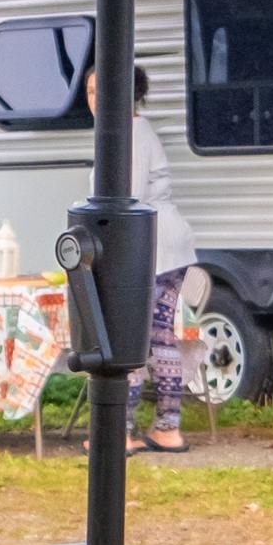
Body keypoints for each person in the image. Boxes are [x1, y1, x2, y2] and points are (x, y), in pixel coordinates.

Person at [87, 62, 199, 453]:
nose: (94, 100)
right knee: (160, 335)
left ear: (124, 94)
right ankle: (167, 426)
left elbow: (123, 200)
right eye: (89, 92)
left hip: (150, 245)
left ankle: (122, 430)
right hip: (170, 243)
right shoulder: (140, 130)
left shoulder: (127, 136)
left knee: (130, 335)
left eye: (101, 91)